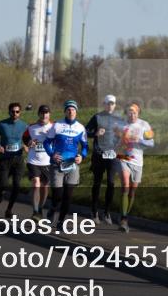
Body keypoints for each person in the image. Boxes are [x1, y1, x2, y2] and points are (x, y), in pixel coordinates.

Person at [44, 100, 88, 230]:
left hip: (72, 165)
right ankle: (53, 208)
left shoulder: (80, 128)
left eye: (73, 109)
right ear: (65, 111)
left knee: (68, 196)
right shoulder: (57, 125)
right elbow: (47, 142)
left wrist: (82, 156)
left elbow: (85, 146)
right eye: (68, 109)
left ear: (76, 111)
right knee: (57, 196)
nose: (71, 111)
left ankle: (61, 221)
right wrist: (52, 154)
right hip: (57, 164)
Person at [114, 103, 154, 233]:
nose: (132, 115)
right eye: (130, 113)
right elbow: (114, 141)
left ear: (138, 114)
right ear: (127, 114)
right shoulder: (121, 125)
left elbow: (151, 143)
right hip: (124, 157)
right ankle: (123, 220)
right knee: (125, 185)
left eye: (134, 113)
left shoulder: (144, 125)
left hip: (138, 161)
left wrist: (139, 140)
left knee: (132, 191)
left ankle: (124, 215)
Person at [86, 94, 124, 224]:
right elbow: (85, 131)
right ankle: (94, 211)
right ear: (104, 104)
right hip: (99, 154)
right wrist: (95, 134)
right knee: (97, 182)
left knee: (111, 183)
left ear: (115, 105)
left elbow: (122, 136)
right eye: (108, 103)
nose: (110, 106)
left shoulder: (118, 118)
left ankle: (107, 212)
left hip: (112, 155)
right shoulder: (97, 117)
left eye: (112, 103)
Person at [0, 102, 28, 219]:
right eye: (13, 111)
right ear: (9, 112)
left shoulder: (24, 126)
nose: (15, 114)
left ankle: (9, 209)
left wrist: (26, 146)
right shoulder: (2, 124)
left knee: (16, 186)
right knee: (3, 184)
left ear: (20, 113)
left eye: (17, 111)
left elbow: (28, 140)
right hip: (5, 159)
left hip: (18, 159)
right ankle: (1, 191)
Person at [23, 105, 53, 221]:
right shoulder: (31, 127)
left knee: (45, 186)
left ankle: (40, 209)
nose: (44, 115)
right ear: (39, 114)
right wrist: (29, 142)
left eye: (46, 113)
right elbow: (25, 139)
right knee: (36, 183)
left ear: (49, 114)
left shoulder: (53, 127)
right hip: (33, 160)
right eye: (42, 113)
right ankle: (35, 211)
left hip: (48, 162)